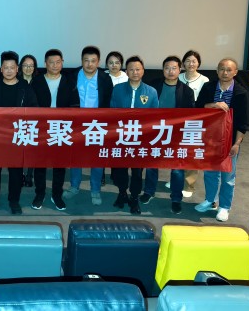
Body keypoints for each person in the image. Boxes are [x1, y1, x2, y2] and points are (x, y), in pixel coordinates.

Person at [194, 58, 249, 222]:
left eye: (228, 70)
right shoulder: (209, 87)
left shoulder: (241, 93)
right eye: (221, 69)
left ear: (235, 72)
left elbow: (244, 122)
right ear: (217, 70)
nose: (225, 73)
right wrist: (213, 105)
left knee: (228, 176)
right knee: (210, 172)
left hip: (230, 140)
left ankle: (224, 207)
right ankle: (210, 201)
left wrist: (237, 143)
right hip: (210, 138)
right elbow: (197, 108)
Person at [0, 51, 38, 214]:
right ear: (1, 69)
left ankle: (14, 201)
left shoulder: (25, 88)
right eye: (5, 67)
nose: (8, 70)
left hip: (17, 134)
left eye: (12, 67)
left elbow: (34, 109)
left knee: (16, 171)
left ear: (17, 69)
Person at [143, 56, 195, 214]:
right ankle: (149, 192)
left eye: (174, 68)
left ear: (180, 70)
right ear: (163, 69)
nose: (170, 71)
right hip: (155, 132)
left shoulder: (186, 91)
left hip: (176, 134)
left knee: (177, 169)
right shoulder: (153, 86)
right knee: (151, 165)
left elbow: (191, 116)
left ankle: (176, 199)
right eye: (167, 68)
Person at [64, 46, 114, 205]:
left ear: (98, 62)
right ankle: (74, 186)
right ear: (82, 60)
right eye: (86, 60)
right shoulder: (72, 76)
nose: (89, 64)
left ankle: (95, 190)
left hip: (97, 124)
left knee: (97, 159)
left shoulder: (105, 79)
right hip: (76, 124)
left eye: (93, 61)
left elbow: (109, 102)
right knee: (75, 158)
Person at [110, 55, 159, 215]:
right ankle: (122, 193)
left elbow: (155, 117)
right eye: (131, 69)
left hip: (140, 138)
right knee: (120, 169)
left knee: (137, 171)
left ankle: (134, 197)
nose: (135, 72)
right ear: (126, 71)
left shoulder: (151, 92)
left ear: (143, 71)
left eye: (138, 69)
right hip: (121, 136)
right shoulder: (118, 89)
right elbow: (111, 112)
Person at [30, 49, 79, 211]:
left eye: (58, 62)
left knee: (60, 165)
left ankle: (57, 195)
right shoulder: (37, 81)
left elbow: (75, 105)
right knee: (40, 164)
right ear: (45, 64)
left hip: (61, 128)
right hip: (42, 128)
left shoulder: (69, 81)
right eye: (51, 62)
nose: (55, 65)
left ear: (62, 63)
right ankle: (40, 194)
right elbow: (31, 105)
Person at [176, 49, 210, 197]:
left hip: (195, 122)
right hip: (177, 121)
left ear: (198, 63)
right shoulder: (178, 77)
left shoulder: (204, 80)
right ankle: (176, 178)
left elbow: (206, 102)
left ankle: (189, 185)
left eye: (194, 61)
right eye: (188, 61)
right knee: (177, 150)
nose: (191, 64)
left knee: (191, 152)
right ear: (183, 63)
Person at [18, 54, 38, 187]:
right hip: (18, 121)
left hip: (34, 121)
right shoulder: (16, 81)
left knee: (32, 149)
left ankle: (30, 175)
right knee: (19, 149)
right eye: (25, 65)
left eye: (31, 66)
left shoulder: (39, 82)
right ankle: (19, 175)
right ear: (21, 67)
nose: (28, 68)